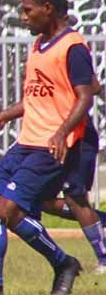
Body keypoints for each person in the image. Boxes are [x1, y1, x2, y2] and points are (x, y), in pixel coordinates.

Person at [0, 0, 95, 295]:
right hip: (26, 143)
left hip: (51, 148)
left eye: (28, 10)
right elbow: (35, 98)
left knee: (10, 209)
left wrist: (61, 133)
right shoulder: (38, 45)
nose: (23, 16)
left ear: (48, 8)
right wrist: (0, 118)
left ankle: (63, 263)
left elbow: (85, 97)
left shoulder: (73, 47)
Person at [39, 81, 106, 274]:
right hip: (49, 139)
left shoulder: (72, 54)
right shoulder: (38, 59)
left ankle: (104, 258)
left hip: (77, 138)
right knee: (41, 200)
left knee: (75, 197)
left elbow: (93, 86)